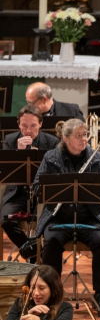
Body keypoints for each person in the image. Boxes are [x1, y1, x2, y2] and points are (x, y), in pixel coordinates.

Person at [34, 118, 100, 312]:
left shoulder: (96, 158)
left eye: (85, 135)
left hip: (90, 217)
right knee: (51, 242)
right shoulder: (51, 157)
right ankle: (52, 293)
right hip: (58, 216)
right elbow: (37, 186)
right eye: (78, 135)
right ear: (65, 138)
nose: (84, 139)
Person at [0, 105, 59, 256]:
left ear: (40, 124)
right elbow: (6, 171)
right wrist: (18, 154)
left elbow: (57, 172)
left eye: (33, 126)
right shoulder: (10, 140)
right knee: (6, 220)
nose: (28, 131)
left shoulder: (52, 142)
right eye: (24, 126)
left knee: (49, 222)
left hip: (43, 196)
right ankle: (31, 251)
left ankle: (41, 254)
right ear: (18, 124)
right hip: (17, 194)